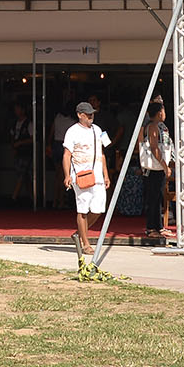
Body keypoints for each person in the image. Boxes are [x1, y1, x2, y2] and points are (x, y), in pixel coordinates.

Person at [62, 102, 110, 257]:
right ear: (79, 115)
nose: (91, 117)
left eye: (92, 114)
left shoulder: (98, 130)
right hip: (81, 175)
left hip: (97, 175)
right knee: (82, 208)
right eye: (88, 114)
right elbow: (67, 155)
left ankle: (79, 233)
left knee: (98, 208)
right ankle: (85, 243)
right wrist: (67, 175)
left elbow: (102, 153)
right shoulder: (72, 131)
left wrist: (106, 174)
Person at [137, 99, 171, 242]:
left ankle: (158, 226)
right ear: (159, 113)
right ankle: (151, 228)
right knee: (153, 197)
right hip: (153, 167)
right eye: (163, 111)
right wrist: (164, 165)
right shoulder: (151, 127)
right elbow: (154, 147)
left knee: (158, 197)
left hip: (158, 167)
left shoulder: (160, 126)